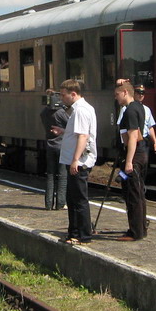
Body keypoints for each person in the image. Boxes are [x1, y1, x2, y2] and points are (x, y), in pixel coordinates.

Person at [57, 79, 97, 245]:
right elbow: (78, 132)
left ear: (73, 94)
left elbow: (83, 136)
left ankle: (83, 234)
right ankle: (74, 231)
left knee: (78, 199)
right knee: (72, 198)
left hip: (79, 162)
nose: (61, 98)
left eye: (63, 95)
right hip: (76, 160)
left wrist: (75, 160)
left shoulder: (80, 110)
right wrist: (64, 131)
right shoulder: (80, 109)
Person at [114, 81, 148, 241]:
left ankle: (135, 232)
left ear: (125, 93)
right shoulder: (139, 107)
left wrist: (128, 162)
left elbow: (134, 136)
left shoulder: (130, 111)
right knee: (137, 192)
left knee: (133, 194)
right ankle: (140, 228)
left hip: (133, 157)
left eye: (117, 94)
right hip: (138, 155)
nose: (116, 98)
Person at [40, 89, 70, 210]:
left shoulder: (44, 113)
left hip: (49, 144)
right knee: (63, 175)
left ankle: (48, 203)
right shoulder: (61, 113)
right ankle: (60, 203)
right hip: (62, 145)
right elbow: (71, 125)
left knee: (50, 175)